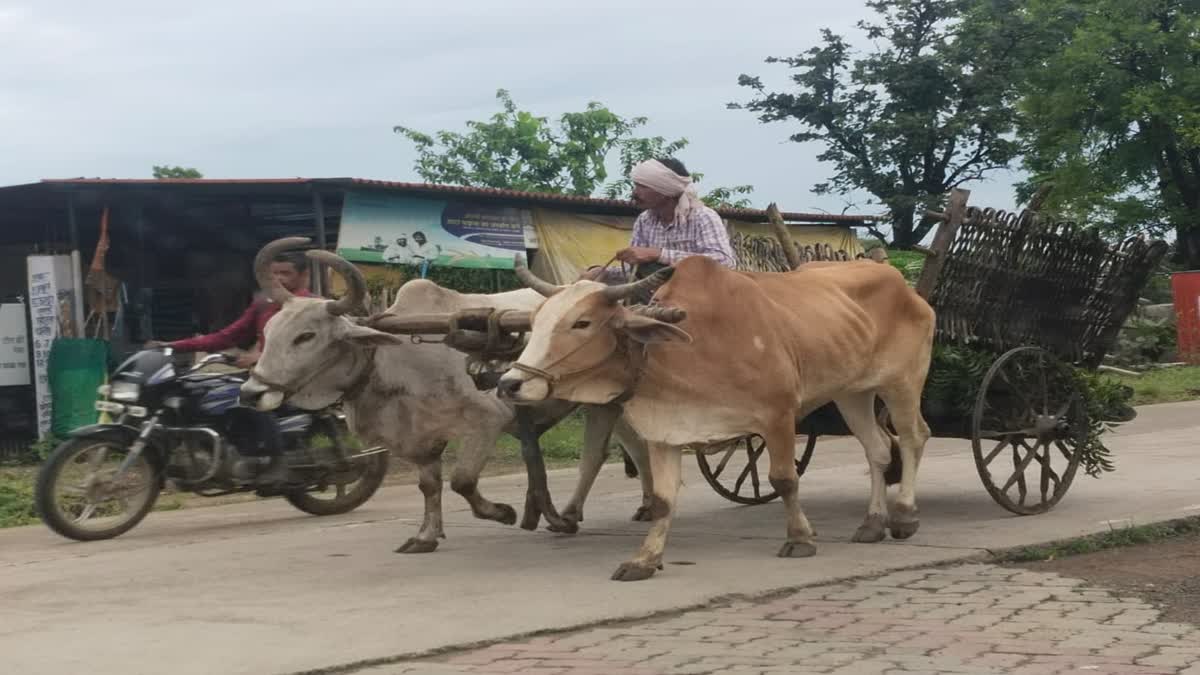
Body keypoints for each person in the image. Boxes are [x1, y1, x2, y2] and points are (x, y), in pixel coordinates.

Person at [147, 250, 313, 487]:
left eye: (285, 273)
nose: (278, 279)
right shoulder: (263, 306)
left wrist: (259, 356)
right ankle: (207, 457)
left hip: (300, 378)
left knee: (252, 397)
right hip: (263, 374)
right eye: (274, 273)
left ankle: (278, 463)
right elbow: (226, 336)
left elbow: (311, 348)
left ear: (303, 276)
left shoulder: (313, 308)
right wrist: (172, 345)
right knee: (199, 390)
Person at [582, 157, 736, 292]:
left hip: (703, 300)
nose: (634, 193)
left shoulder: (703, 216)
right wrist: (602, 273)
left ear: (665, 191)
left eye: (643, 186)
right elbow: (634, 272)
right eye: (635, 186)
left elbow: (724, 262)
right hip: (658, 300)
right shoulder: (644, 220)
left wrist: (658, 254)